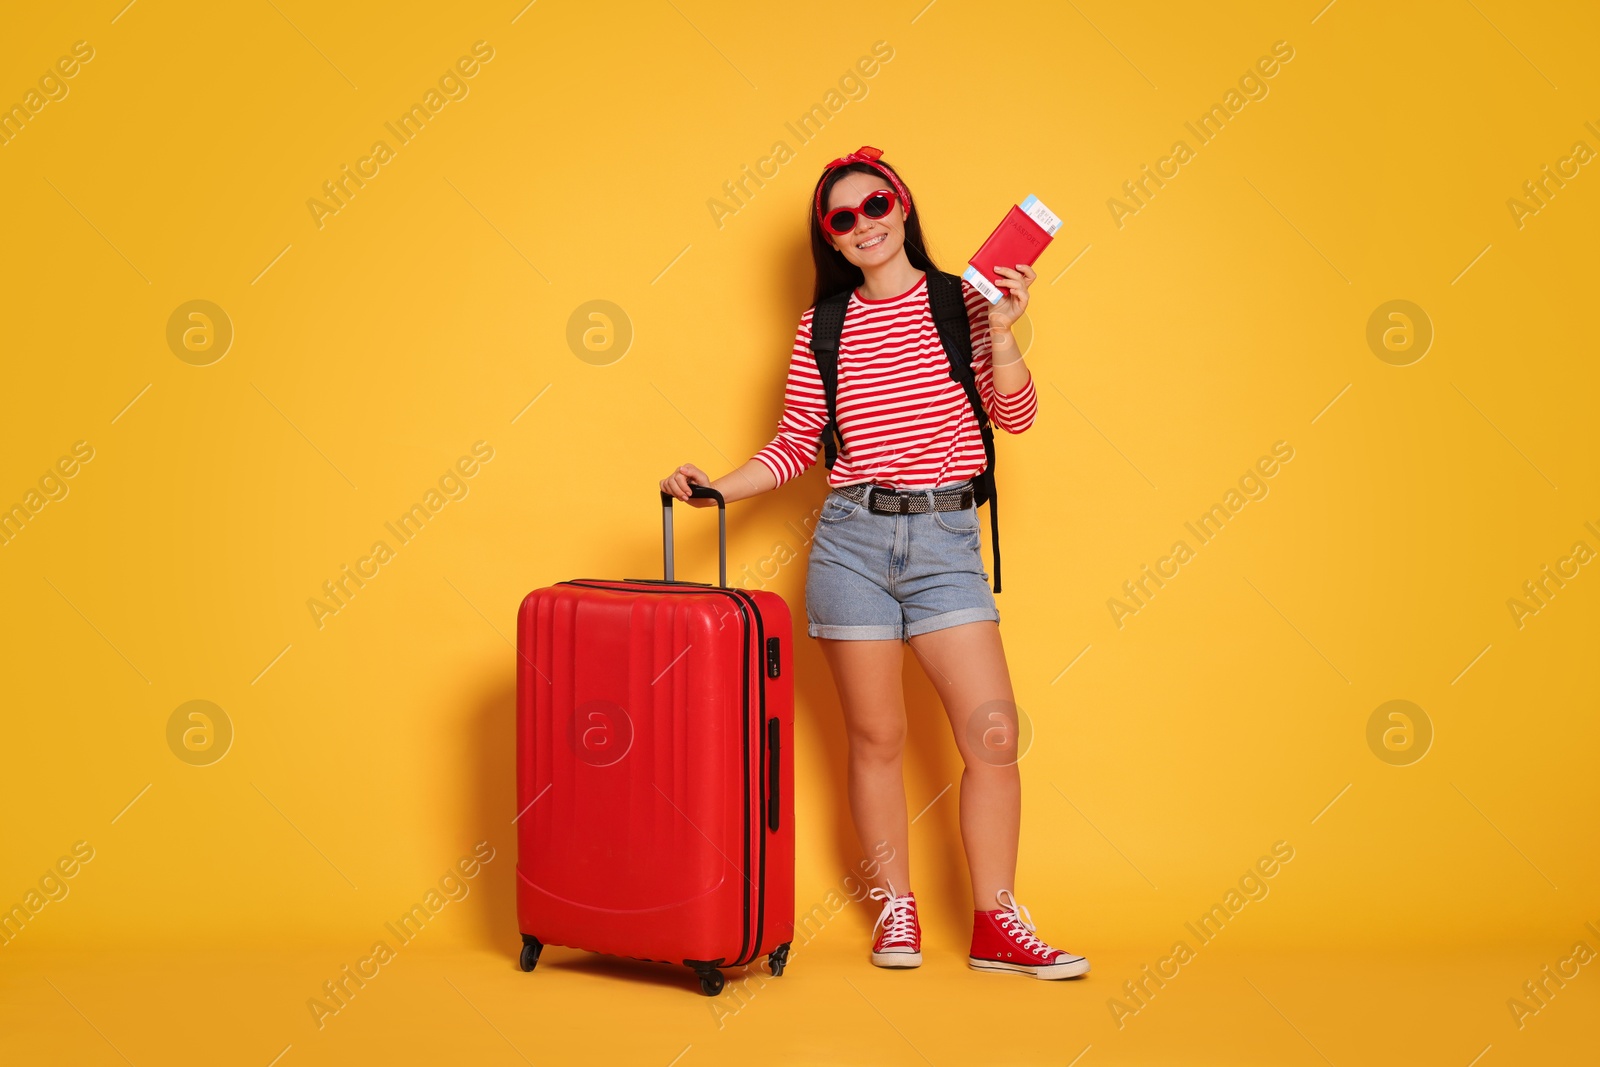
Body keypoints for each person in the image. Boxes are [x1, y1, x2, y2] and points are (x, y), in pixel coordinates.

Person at [658, 146, 1088, 980]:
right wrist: (714, 486)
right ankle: (898, 907)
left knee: (992, 736)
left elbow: (1018, 414)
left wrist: (1000, 330)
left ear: (903, 205)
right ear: (832, 237)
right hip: (851, 541)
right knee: (876, 737)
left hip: (944, 542)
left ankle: (998, 923)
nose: (865, 223)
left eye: (875, 204)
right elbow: (792, 448)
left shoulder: (963, 301)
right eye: (843, 218)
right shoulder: (825, 325)